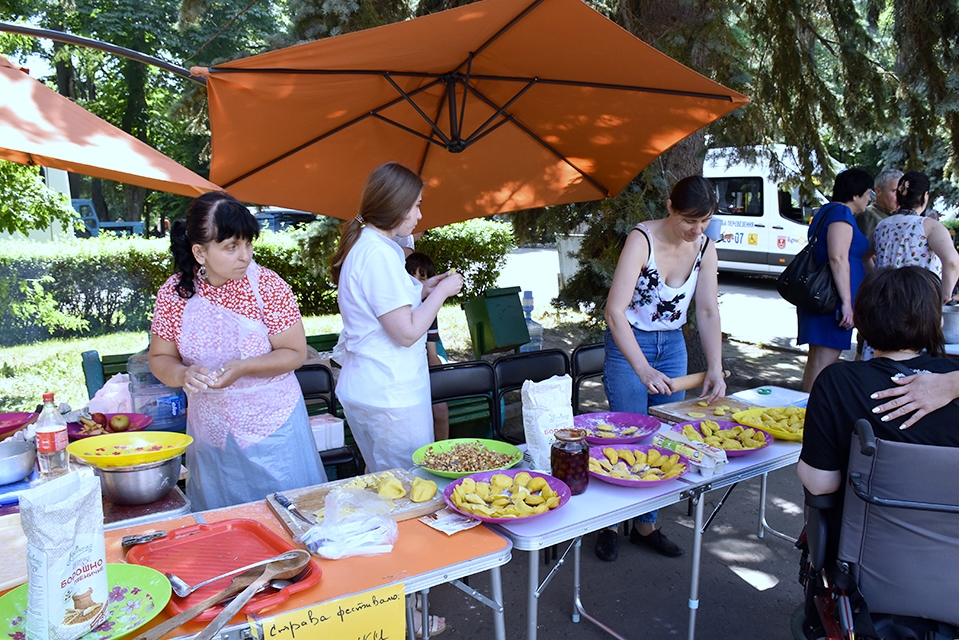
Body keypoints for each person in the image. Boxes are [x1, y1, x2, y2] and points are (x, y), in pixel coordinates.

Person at [149, 191, 327, 512]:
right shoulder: (175, 294)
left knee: (291, 517)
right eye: (231, 247)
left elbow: (294, 352)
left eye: (247, 243)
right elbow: (160, 358)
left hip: (273, 429)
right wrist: (182, 374)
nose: (245, 256)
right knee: (224, 522)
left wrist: (245, 367)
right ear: (200, 252)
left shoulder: (268, 287)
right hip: (211, 434)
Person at [595, 175, 726, 562]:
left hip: (671, 345)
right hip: (629, 343)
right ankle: (608, 522)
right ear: (670, 206)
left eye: (704, 221)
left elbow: (706, 310)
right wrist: (642, 369)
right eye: (689, 220)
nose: (696, 230)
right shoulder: (642, 239)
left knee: (666, 437)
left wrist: (715, 367)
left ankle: (645, 524)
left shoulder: (705, 247)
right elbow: (614, 311)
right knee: (625, 435)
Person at [331, 162, 463, 473]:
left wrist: (424, 289)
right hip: (390, 394)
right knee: (408, 486)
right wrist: (443, 292)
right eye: (416, 206)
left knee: (382, 481)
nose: (419, 216)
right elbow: (405, 332)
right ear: (396, 205)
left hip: (370, 386)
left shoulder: (371, 246)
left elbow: (382, 304)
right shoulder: (378, 254)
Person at [798, 266, 959, 497]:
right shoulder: (952, 377)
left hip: (863, 531)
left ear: (861, 320)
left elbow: (820, 484)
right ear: (937, 321)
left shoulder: (837, 382)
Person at [797, 168, 873, 392]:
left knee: (817, 360)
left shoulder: (827, 211)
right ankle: (810, 416)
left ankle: (803, 413)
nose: (869, 199)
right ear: (856, 194)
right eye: (868, 193)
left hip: (824, 297)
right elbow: (837, 258)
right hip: (832, 301)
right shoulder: (841, 214)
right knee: (823, 363)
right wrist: (847, 304)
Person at [872, 170, 959, 303]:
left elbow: (862, 255)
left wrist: (875, 278)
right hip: (919, 303)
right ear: (925, 195)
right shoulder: (930, 227)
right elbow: (952, 262)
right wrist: (945, 295)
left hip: (883, 301)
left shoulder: (882, 226)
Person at [406, 251, 451, 441]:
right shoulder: (395, 305)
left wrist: (438, 378)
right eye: (411, 275)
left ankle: (443, 454)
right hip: (400, 377)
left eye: (422, 278)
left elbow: (431, 352)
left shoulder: (428, 308)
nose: (416, 281)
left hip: (423, 370)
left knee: (440, 410)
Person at [854, 168, 902, 243]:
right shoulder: (867, 216)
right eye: (894, 191)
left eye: (902, 191)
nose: (899, 196)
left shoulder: (901, 216)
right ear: (878, 191)